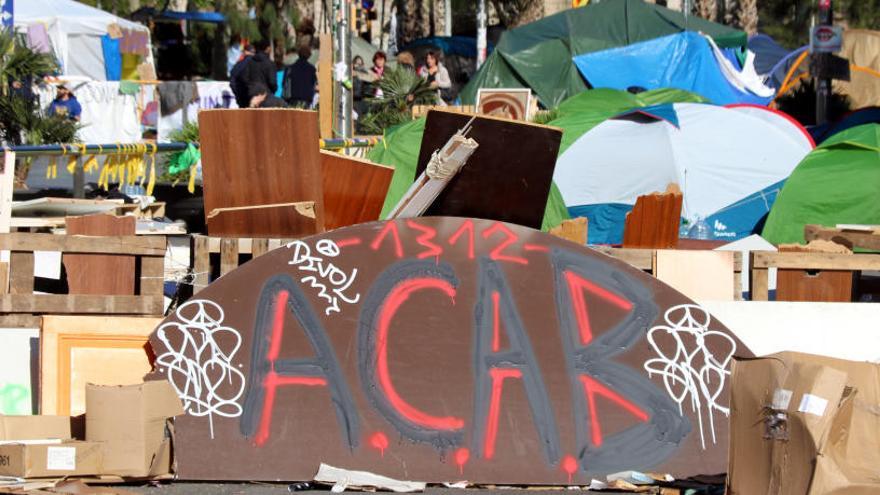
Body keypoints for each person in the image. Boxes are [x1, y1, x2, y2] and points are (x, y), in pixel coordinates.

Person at [241, 40, 277, 104]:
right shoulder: (270, 64)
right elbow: (272, 82)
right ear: (268, 48)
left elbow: (244, 79)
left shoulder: (249, 62)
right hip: (266, 96)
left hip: (251, 96)